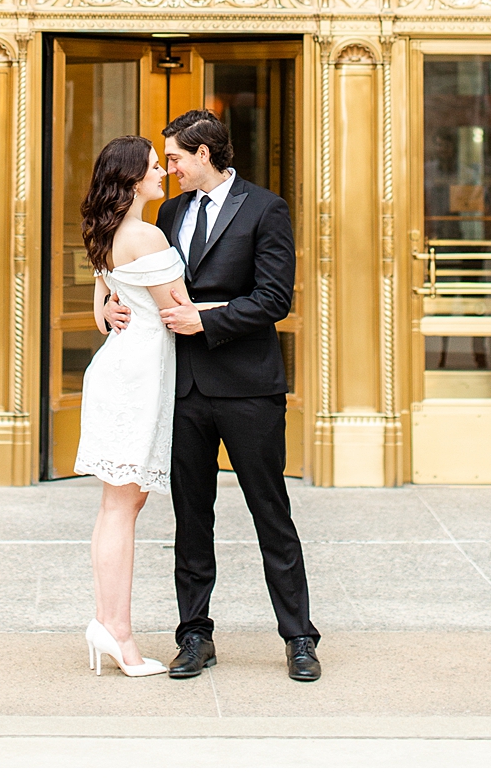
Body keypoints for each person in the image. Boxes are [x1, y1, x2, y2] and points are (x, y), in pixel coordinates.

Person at [106, 108, 321, 682]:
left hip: (249, 386)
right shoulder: (169, 213)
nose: (169, 167)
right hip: (182, 386)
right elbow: (128, 268)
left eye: (175, 157)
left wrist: (212, 321)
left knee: (270, 511)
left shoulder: (266, 208)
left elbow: (275, 298)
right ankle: (194, 635)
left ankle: (299, 637)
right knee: (190, 517)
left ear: (205, 154)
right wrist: (106, 301)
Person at [73, 134, 221, 678]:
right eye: (156, 167)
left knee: (122, 505)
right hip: (136, 378)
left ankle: (109, 623)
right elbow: (177, 310)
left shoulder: (109, 233)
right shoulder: (146, 234)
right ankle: (117, 632)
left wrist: (113, 308)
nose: (163, 173)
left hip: (123, 370)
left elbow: (102, 310)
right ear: (134, 180)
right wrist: (246, 304)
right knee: (120, 506)